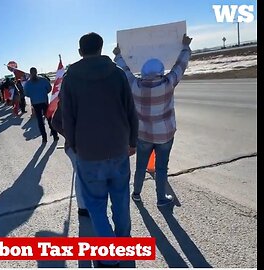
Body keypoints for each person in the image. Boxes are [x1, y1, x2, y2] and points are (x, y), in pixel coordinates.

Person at [60, 32, 138, 268]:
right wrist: (132, 141)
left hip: (88, 153)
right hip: (118, 149)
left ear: (80, 51)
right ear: (101, 48)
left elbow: (67, 117)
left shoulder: (71, 77)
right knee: (121, 199)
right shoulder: (117, 74)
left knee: (95, 205)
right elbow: (130, 110)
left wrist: (74, 145)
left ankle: (108, 255)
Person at [113, 34, 192, 207]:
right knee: (162, 167)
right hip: (165, 135)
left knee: (141, 166)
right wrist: (185, 47)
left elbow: (125, 70)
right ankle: (161, 198)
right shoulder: (168, 83)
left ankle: (136, 194)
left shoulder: (135, 86)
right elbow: (181, 65)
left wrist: (118, 55)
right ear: (160, 72)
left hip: (144, 135)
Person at [51, 100, 88, 217]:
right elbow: (55, 122)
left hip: (91, 145)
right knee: (80, 173)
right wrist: (69, 135)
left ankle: (88, 202)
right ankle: (82, 207)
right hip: (74, 146)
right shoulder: (67, 97)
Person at [23, 67, 58, 143]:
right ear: (36, 72)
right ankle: (55, 136)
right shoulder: (43, 80)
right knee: (49, 118)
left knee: (40, 121)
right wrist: (43, 93)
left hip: (35, 103)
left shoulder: (28, 83)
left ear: (30, 73)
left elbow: (26, 94)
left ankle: (44, 138)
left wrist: (33, 95)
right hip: (44, 101)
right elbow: (49, 89)